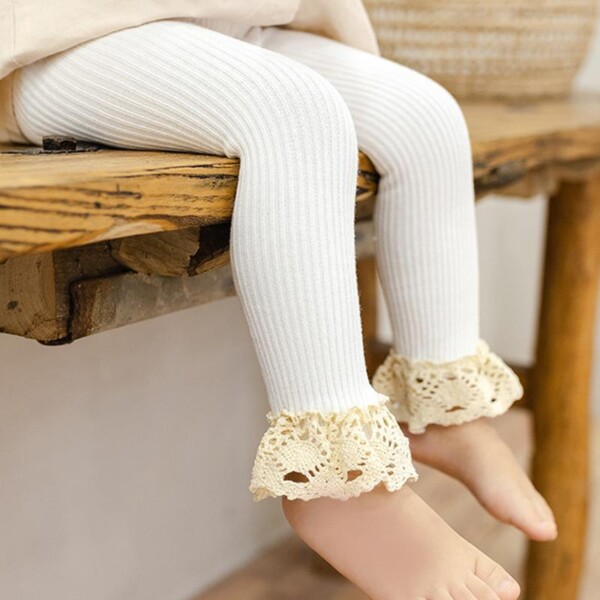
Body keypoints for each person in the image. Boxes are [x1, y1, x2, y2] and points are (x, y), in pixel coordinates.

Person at [1, 2, 557, 598]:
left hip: (232, 26)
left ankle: (446, 410)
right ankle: (337, 480)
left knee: (426, 117)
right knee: (296, 114)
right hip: (70, 38)